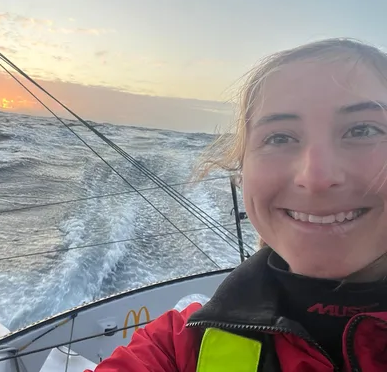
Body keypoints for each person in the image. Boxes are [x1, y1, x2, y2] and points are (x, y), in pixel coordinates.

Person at [85, 37, 387, 371]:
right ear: (242, 171)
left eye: (362, 130)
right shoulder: (177, 347)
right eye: (279, 137)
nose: (315, 177)